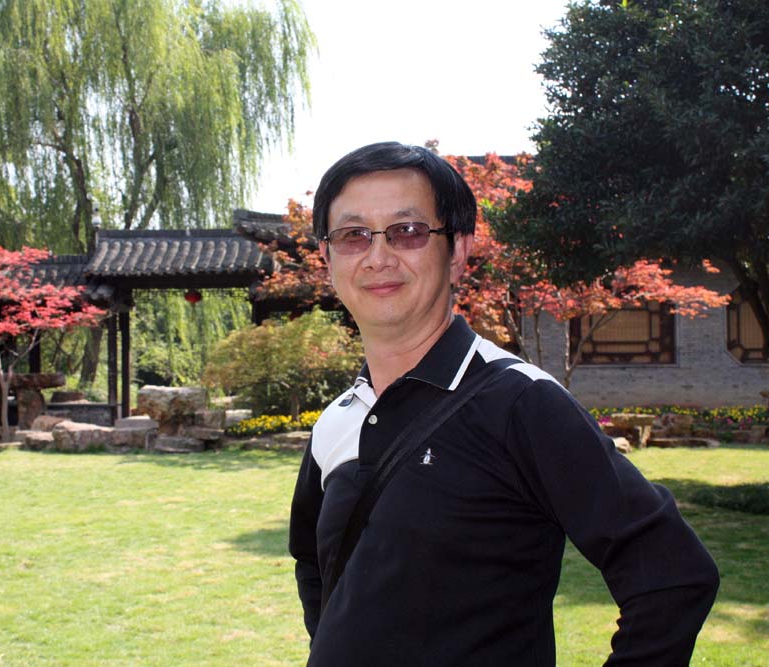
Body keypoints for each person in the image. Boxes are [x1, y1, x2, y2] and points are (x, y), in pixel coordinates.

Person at [288, 141, 719, 666]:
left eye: (408, 230)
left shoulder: (521, 403)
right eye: (353, 235)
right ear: (328, 258)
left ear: (458, 252)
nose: (379, 257)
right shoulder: (338, 418)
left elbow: (674, 576)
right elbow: (314, 563)